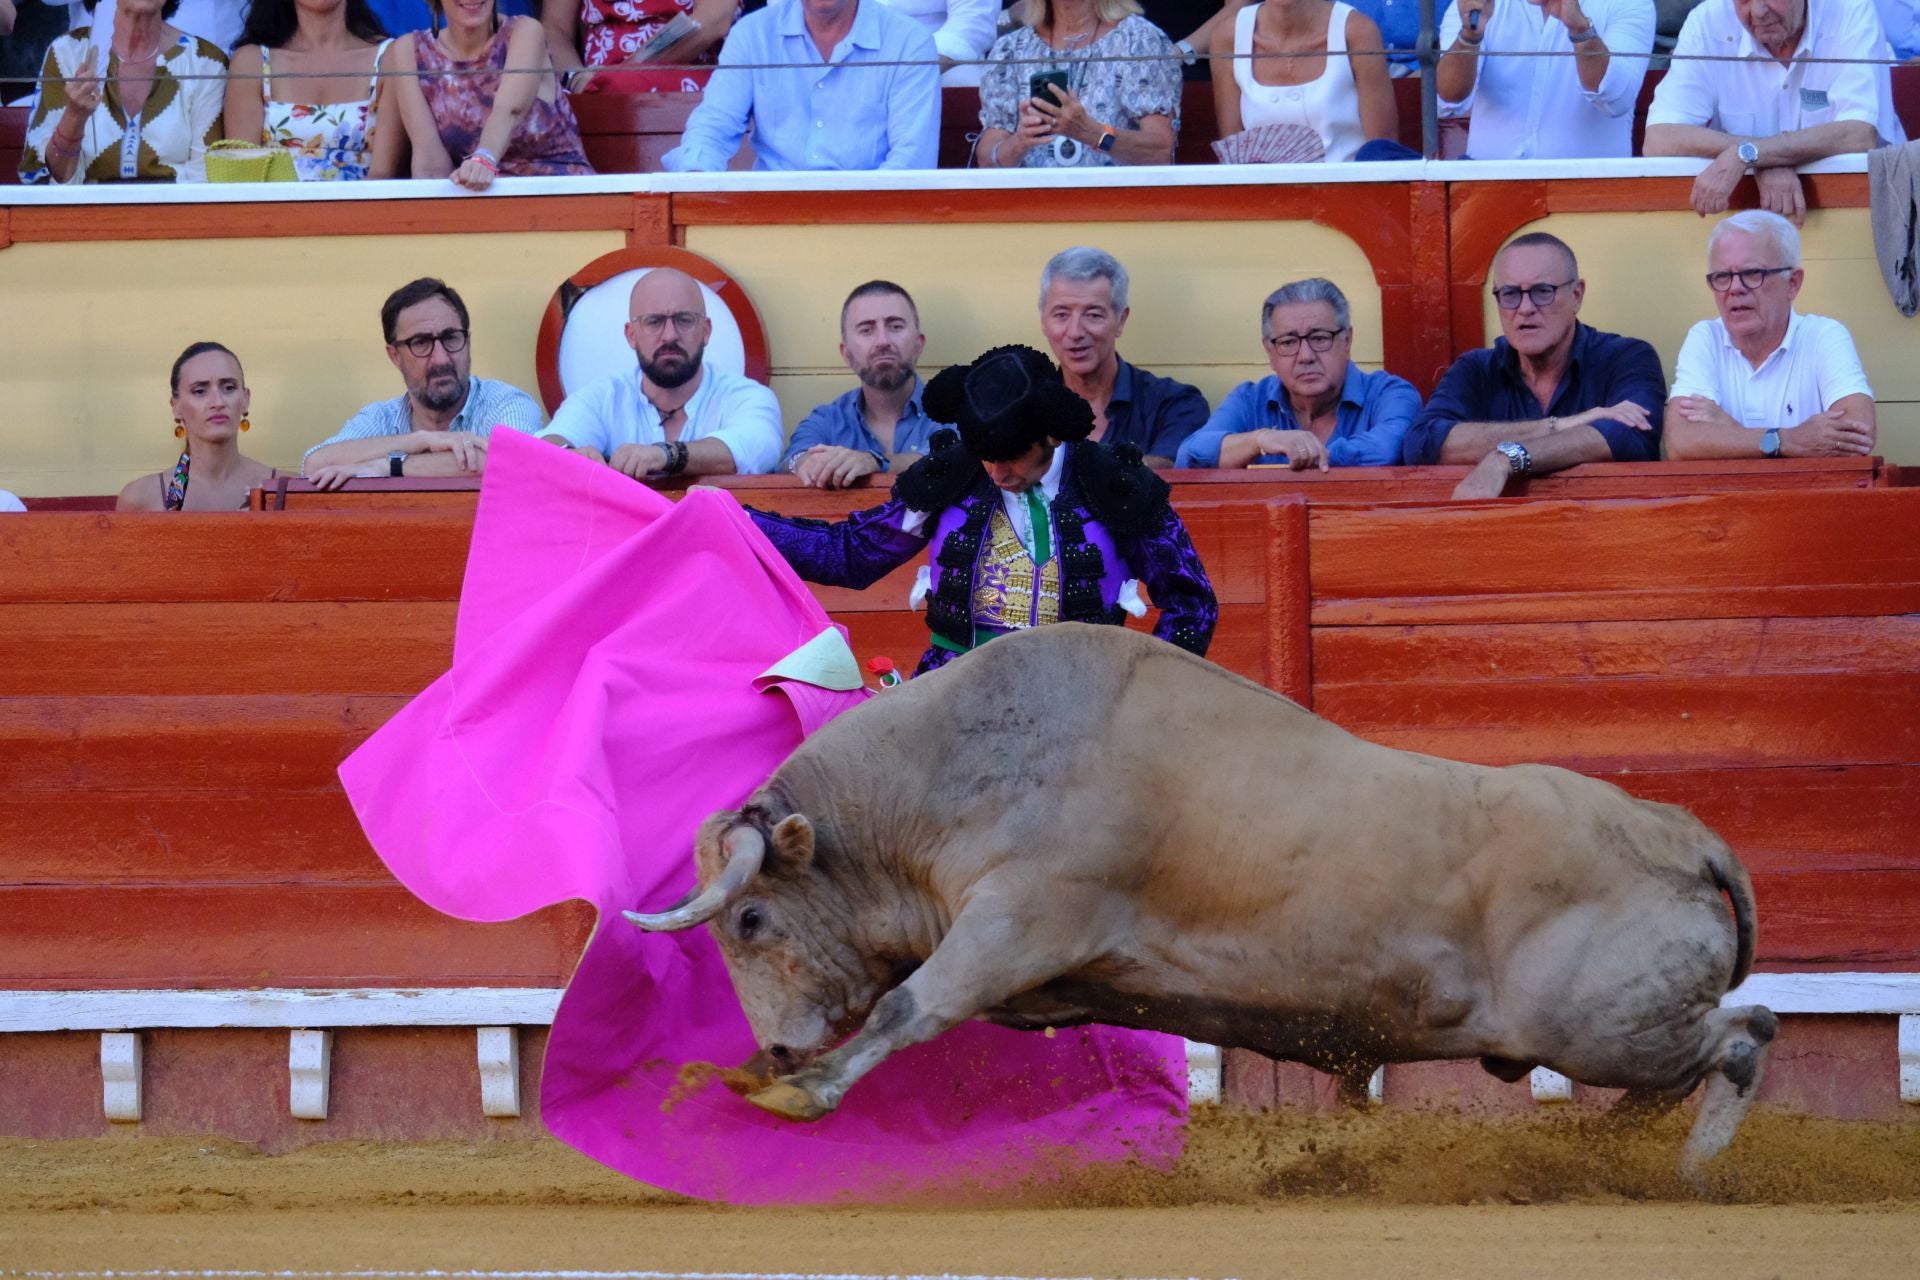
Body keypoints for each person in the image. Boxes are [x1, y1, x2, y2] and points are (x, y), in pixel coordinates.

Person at [745, 344, 1218, 674]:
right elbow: (847, 555)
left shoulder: (1114, 484)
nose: (995, 473)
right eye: (986, 456)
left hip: (1087, 699)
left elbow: (1191, 604)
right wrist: (734, 520)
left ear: (1051, 436)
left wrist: (1137, 693)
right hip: (958, 690)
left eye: (1011, 457)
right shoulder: (952, 475)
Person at [1402, 232, 1666, 499]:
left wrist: (1505, 458)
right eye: (1510, 294)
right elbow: (1422, 442)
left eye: (1542, 292)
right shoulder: (1475, 369)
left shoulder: (1627, 357)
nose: (1525, 308)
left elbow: (1628, 436)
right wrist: (1562, 425)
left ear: (1576, 295)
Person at [1644, 0, 1907, 225]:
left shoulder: (1850, 10)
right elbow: (1659, 139)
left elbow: (1858, 135)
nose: (1758, 12)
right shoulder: (1708, 20)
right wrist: (1759, 157)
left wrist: (1748, 155)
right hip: (1746, 220)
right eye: (1743, 0)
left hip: (1867, 207)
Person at [1666, 210, 1876, 459]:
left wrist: (1731, 432)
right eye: (1722, 276)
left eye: (1753, 273)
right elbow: (1680, 442)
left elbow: (1857, 436)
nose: (1735, 289)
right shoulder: (1706, 338)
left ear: (1793, 283)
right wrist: (1787, 440)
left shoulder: (1822, 336)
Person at [303, 278, 546, 488]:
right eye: (421, 342)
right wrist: (420, 441)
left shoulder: (505, 403)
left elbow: (518, 461)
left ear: (468, 342)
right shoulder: (381, 418)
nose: (441, 358)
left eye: (451, 338)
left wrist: (392, 465)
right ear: (395, 356)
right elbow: (314, 465)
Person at [542, 268, 784, 478]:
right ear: (631, 335)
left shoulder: (747, 396)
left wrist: (666, 455)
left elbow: (758, 447)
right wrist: (567, 457)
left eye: (684, 320)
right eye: (654, 321)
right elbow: (542, 448)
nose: (670, 335)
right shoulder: (601, 398)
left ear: (706, 330)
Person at [661, 0, 940, 171]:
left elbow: (911, 162)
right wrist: (696, 179)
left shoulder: (909, 42)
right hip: (771, 214)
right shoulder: (752, 34)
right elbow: (712, 128)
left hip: (869, 219)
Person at [1175, 278, 1420, 469]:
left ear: (1347, 340)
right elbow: (1189, 455)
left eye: (1320, 338)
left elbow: (1390, 447)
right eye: (1288, 342)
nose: (1305, 356)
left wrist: (1309, 454)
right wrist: (1261, 440)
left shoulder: (1389, 394)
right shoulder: (1249, 399)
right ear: (1270, 352)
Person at [380, 0, 593, 189]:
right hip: (479, 204)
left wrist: (484, 157)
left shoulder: (525, 31)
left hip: (560, 192)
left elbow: (509, 110)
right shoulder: (409, 51)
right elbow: (429, 160)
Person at [18, 0, 227, 184]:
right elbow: (48, 180)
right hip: (83, 220)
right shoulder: (66, 53)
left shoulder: (205, 62)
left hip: (175, 221)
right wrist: (74, 117)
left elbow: (206, 180)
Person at [1037, 247, 1208, 467]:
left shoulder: (1174, 404)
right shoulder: (1019, 408)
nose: (1075, 332)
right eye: (1061, 315)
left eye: (1093, 315)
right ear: (1044, 321)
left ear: (1120, 320)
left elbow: (1170, 473)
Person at [974, 0, 1183, 168]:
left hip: (1117, 206)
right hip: (1033, 207)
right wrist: (1019, 143)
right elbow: (986, 160)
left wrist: (1091, 133)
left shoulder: (1138, 40)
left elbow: (1160, 151)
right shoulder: (1011, 50)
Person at [1436, 0, 1655, 159]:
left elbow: (1615, 100)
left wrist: (1580, 31)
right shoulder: (1476, 4)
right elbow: (1450, 98)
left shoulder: (1631, 4)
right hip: (1488, 187)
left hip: (1589, 194)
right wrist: (1469, 38)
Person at [782, 281, 949, 489]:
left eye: (895, 326)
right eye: (866, 329)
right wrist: (806, 462)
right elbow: (791, 458)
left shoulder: (955, 412)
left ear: (918, 344)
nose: (882, 341)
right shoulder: (828, 420)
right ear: (846, 353)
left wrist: (876, 462)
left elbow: (955, 456)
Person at [222, 0, 393, 182]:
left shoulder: (390, 56)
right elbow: (242, 180)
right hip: (274, 209)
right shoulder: (251, 62)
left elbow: (387, 176)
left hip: (367, 208)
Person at [1211, 0, 1398, 162]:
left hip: (1350, 192)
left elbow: (1381, 151)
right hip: (1264, 196)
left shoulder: (1357, 31)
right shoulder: (1228, 36)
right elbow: (1233, 155)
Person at [117, 342, 276, 511]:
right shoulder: (142, 498)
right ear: (176, 406)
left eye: (229, 388)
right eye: (199, 391)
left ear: (245, 399)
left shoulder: (281, 490)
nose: (218, 402)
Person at [542, 0, 738, 95]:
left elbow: (713, 21)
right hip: (592, 82)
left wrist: (626, 70)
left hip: (683, 73)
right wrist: (574, 77)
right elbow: (555, 29)